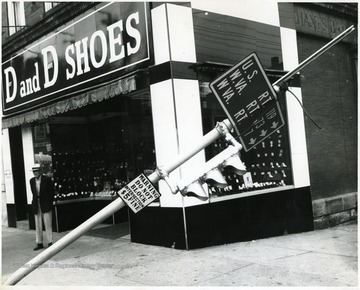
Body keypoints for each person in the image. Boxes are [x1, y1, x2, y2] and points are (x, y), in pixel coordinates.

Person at [30, 163, 55, 251]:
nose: (35, 173)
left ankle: (50, 242)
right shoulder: (32, 181)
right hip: (36, 204)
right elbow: (33, 193)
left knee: (48, 223)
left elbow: (52, 192)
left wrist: (49, 203)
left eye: (36, 171)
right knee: (38, 224)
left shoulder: (47, 180)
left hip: (45, 204)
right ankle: (39, 243)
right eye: (33, 171)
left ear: (40, 171)